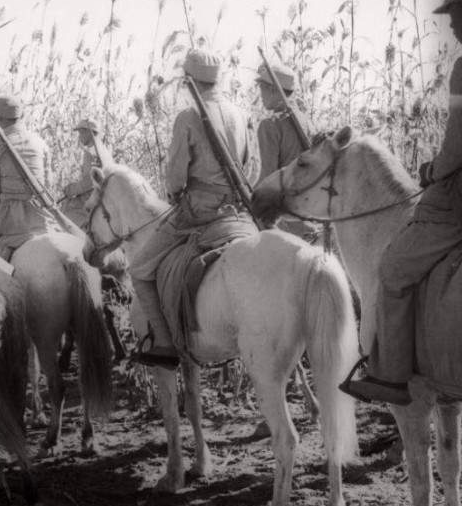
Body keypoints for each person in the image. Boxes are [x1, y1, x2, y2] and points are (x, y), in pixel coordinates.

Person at [342, 0, 462, 405]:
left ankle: (388, 374)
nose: (450, 27)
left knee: (392, 271)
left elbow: (461, 145)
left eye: (455, 15)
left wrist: (431, 169)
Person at [129, 48, 259, 368]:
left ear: (189, 81)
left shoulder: (188, 117)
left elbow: (176, 175)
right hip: (238, 214)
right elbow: (253, 169)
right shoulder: (242, 115)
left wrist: (175, 193)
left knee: (140, 270)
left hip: (198, 213)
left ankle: (162, 342)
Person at [0, 96, 57, 260]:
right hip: (42, 217)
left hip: (13, 220)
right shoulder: (40, 142)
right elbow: (49, 185)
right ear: (21, 116)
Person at [254, 62, 320, 242]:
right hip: (309, 212)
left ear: (274, 90)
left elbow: (268, 178)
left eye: (262, 88)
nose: (260, 95)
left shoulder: (269, 125)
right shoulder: (307, 121)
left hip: (284, 216)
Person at [60, 118, 112, 227]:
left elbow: (90, 182)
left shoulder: (93, 153)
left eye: (82, 132)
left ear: (90, 132)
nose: (80, 136)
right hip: (99, 195)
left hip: (93, 198)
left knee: (64, 215)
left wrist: (71, 189)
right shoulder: (103, 150)